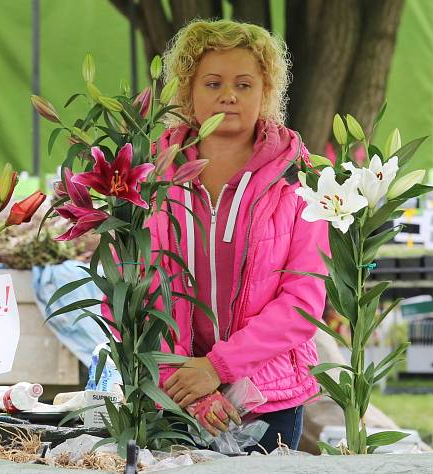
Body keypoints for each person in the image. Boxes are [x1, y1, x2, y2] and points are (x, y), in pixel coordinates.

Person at [152, 19, 328, 452]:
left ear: (266, 92)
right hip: (171, 395)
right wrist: (183, 378)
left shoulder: (298, 181)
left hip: (269, 399)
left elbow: (303, 301)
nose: (228, 95)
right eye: (212, 82)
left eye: (245, 84)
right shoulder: (151, 176)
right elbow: (134, 285)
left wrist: (218, 367)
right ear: (187, 91)